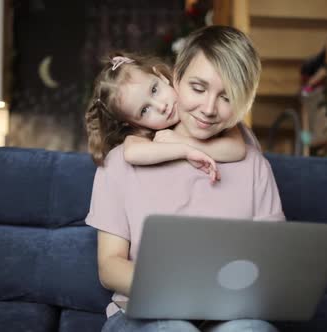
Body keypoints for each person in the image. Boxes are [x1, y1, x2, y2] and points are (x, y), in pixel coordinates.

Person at [86, 25, 285, 332]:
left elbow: (273, 262)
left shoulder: (254, 165)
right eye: (198, 87)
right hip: (141, 314)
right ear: (175, 76)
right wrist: (178, 288)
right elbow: (110, 266)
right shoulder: (122, 162)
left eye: (227, 96)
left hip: (225, 316)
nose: (208, 109)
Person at [85, 51, 251, 183]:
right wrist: (185, 151)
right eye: (144, 110)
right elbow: (131, 153)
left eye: (154, 90)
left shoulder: (203, 106)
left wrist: (183, 141)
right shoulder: (143, 136)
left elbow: (237, 149)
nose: (161, 107)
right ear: (132, 123)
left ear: (161, 76)